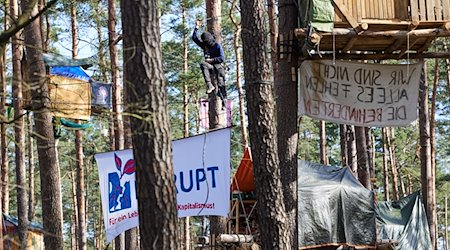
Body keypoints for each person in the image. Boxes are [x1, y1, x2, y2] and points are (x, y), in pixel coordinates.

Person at [192, 20, 226, 97]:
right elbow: (194, 38)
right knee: (203, 64)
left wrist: (211, 60)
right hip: (210, 67)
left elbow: (222, 58)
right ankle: (209, 85)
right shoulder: (205, 46)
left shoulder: (217, 46)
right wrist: (197, 27)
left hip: (219, 67)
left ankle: (224, 101)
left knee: (221, 84)